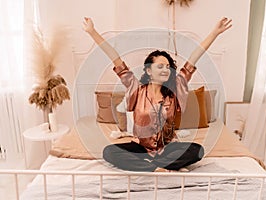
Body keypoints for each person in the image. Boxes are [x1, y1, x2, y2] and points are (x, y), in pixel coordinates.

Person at [83, 17, 232, 172]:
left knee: (197, 149)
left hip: (168, 148)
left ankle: (155, 164)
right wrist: (93, 32)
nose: (165, 70)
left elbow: (193, 59)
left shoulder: (176, 89)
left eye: (168, 67)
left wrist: (215, 33)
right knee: (109, 152)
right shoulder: (137, 89)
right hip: (141, 148)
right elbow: (116, 59)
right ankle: (160, 166)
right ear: (148, 70)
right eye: (160, 66)